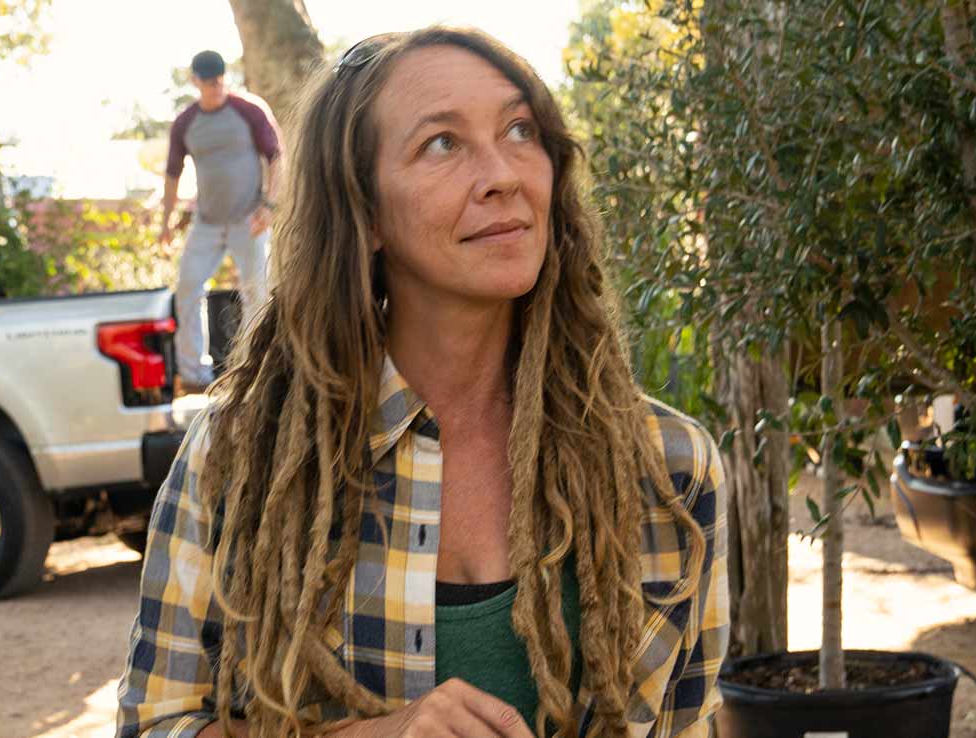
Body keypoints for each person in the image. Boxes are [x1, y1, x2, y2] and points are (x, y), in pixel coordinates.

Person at [118, 27, 727, 738]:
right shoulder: (243, 458)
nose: (503, 173)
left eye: (521, 130)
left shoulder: (669, 466)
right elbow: (156, 727)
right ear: (365, 212)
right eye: (442, 143)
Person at [161, 49, 281, 388]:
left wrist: (269, 206)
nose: (216, 87)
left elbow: (276, 157)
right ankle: (194, 376)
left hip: (249, 218)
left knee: (257, 292)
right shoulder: (186, 123)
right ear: (195, 81)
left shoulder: (248, 110)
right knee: (187, 288)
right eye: (208, 82)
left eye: (220, 80)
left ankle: (257, 371)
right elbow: (172, 175)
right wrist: (166, 224)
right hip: (207, 222)